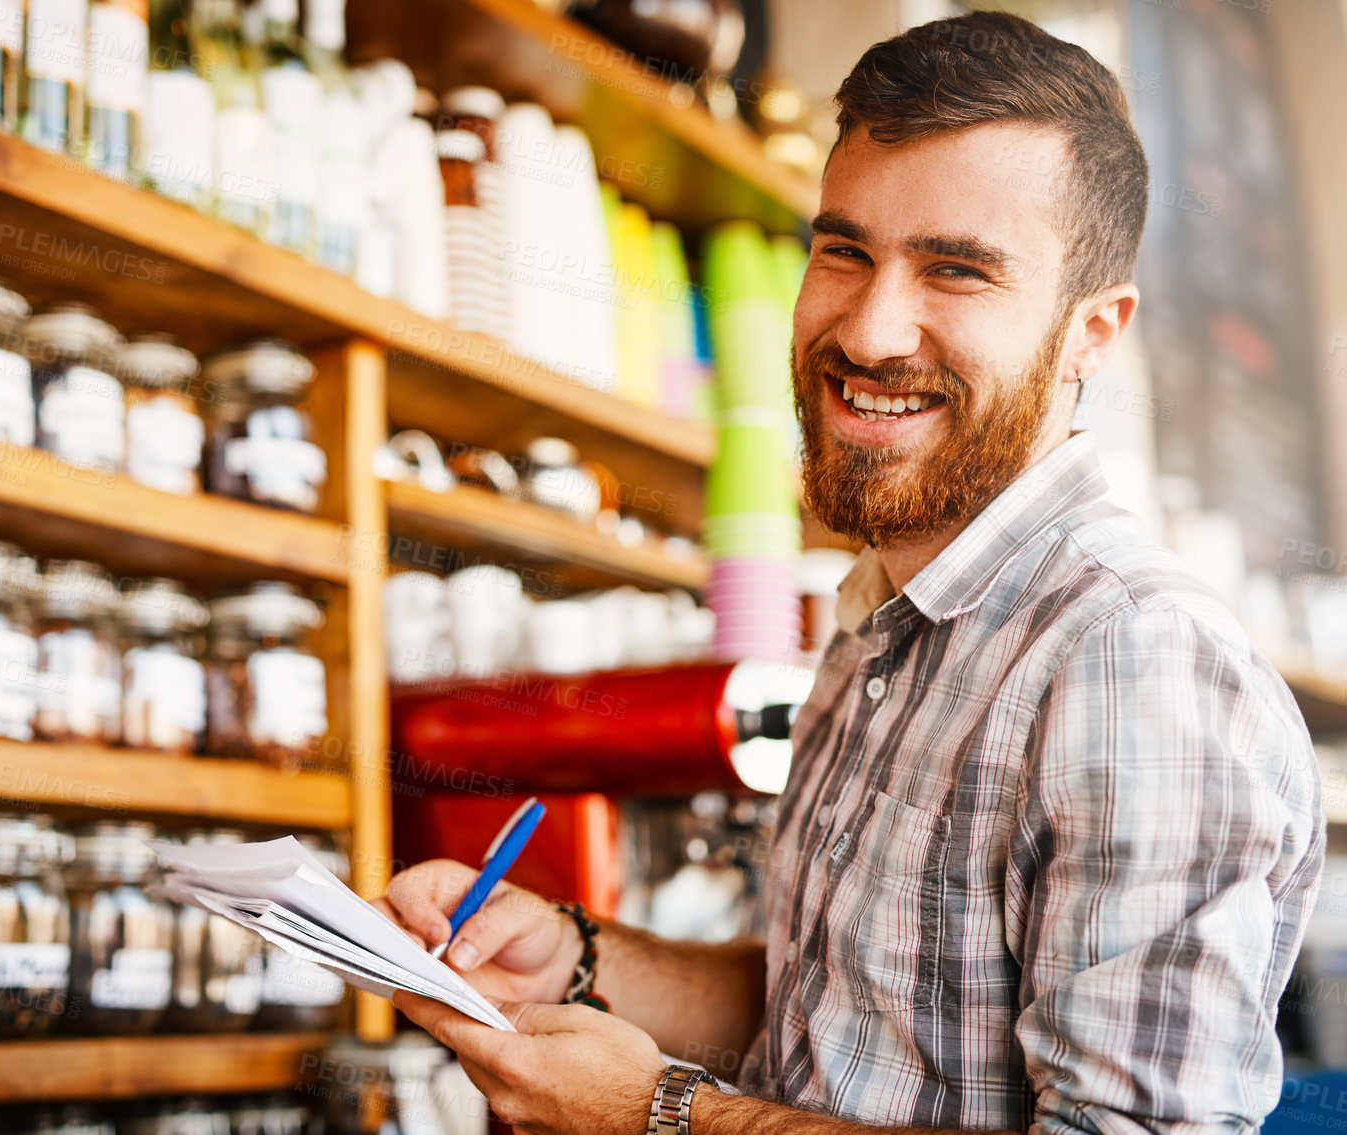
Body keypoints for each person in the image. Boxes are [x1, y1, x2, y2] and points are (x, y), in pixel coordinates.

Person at [376, 11, 1325, 1135]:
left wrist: (655, 1117)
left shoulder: (1135, 661)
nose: (871, 331)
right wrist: (577, 958)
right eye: (844, 250)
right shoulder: (877, 620)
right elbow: (832, 1016)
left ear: (1092, 335)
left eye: (958, 271)